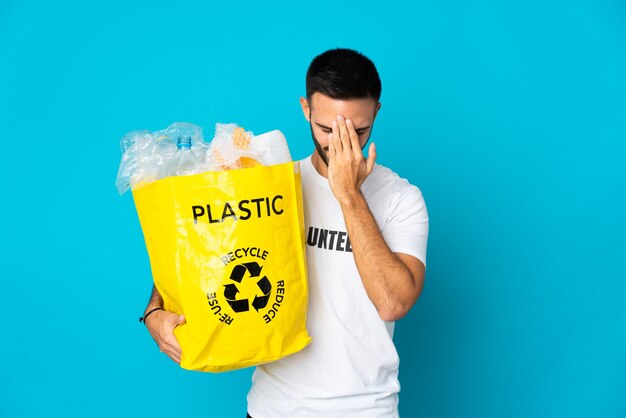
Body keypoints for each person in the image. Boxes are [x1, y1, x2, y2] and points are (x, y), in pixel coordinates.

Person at [142, 48, 429, 417]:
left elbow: (393, 302)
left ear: (376, 111)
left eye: (358, 131)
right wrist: (154, 312)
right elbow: (202, 254)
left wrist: (348, 194)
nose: (340, 143)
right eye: (327, 129)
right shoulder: (271, 187)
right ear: (306, 109)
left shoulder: (401, 199)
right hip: (273, 408)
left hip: (366, 410)